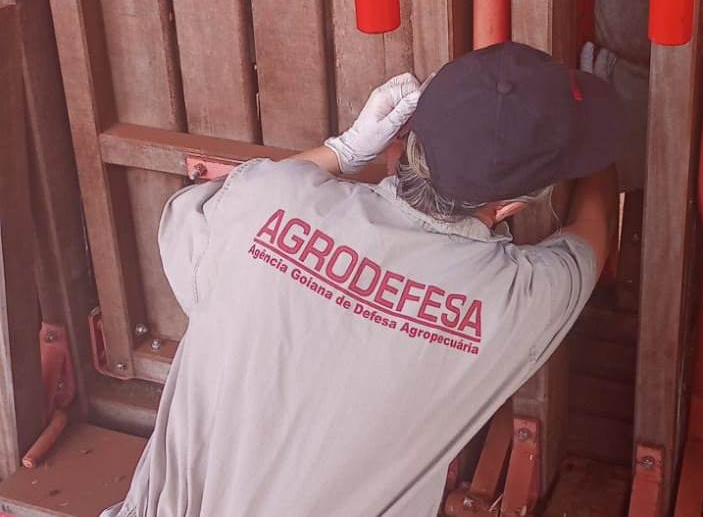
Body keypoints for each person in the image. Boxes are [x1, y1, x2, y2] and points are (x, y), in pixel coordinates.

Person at [102, 41, 624, 517]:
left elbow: (186, 230)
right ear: (511, 205)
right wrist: (601, 149)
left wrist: (342, 151)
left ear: (404, 137)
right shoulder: (516, 304)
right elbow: (591, 232)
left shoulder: (267, 200)